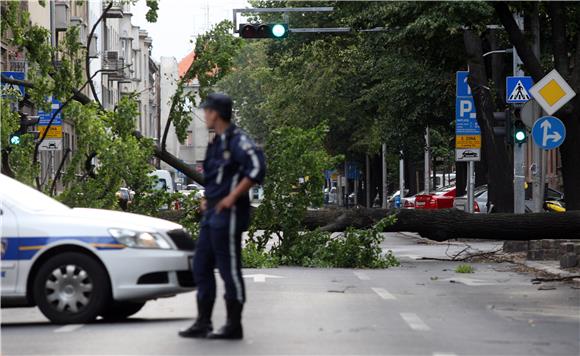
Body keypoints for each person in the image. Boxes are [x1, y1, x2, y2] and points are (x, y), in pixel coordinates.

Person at [179, 93, 265, 340]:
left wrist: (230, 197)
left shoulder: (238, 140)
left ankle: (233, 324)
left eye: (206, 111)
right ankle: (203, 322)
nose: (204, 115)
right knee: (201, 265)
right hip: (211, 214)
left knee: (229, 269)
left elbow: (257, 168)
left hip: (229, 214)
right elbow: (216, 176)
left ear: (215, 113)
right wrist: (208, 197)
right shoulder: (216, 142)